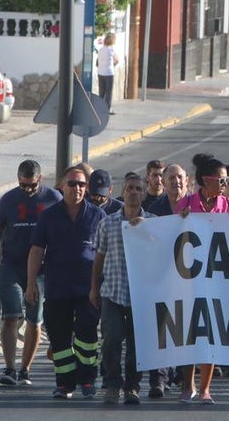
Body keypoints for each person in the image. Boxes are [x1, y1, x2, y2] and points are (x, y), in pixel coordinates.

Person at [26, 164, 104, 399]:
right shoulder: (49, 215)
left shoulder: (97, 215)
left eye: (82, 184)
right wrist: (31, 283)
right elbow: (37, 250)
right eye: (72, 184)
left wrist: (100, 286)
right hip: (57, 288)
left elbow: (106, 251)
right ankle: (65, 384)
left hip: (88, 289)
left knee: (86, 334)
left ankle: (88, 379)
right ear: (62, 186)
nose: (77, 189)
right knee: (59, 339)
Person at [174, 155, 229, 403]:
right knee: (189, 333)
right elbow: (171, 236)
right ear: (205, 180)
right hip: (188, 281)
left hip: (217, 281)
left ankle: (205, 389)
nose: (224, 183)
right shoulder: (186, 204)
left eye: (226, 180)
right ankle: (187, 385)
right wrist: (181, 220)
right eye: (221, 179)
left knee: (211, 334)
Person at [0, 158, 61, 387]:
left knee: (34, 319)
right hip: (12, 265)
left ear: (40, 180)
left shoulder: (53, 199)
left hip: (42, 269)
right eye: (23, 185)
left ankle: (25, 369)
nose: (27, 190)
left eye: (32, 185)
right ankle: (10, 367)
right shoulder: (8, 200)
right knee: (10, 315)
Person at [90, 172, 153, 406]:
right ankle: (112, 384)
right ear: (122, 192)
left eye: (138, 188)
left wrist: (150, 230)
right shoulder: (107, 222)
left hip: (141, 296)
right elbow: (99, 258)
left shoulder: (154, 224)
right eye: (130, 188)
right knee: (111, 339)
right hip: (113, 292)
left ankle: (132, 387)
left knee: (137, 345)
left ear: (144, 193)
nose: (134, 192)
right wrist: (94, 288)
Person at [96, 32, 120, 114]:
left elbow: (97, 62)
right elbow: (117, 60)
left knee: (101, 91)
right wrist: (113, 64)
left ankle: (99, 107)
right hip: (109, 73)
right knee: (108, 92)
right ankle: (107, 108)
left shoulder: (101, 50)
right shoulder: (111, 50)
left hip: (100, 73)